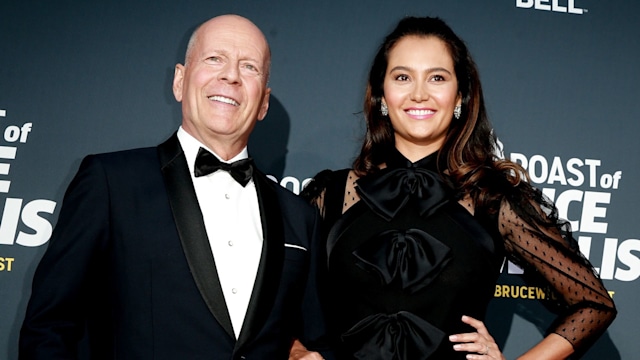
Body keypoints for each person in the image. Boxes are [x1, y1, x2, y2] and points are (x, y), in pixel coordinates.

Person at [299, 16, 616, 359]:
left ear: (460, 95)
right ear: (381, 96)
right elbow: (270, 300)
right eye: (403, 77)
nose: (419, 93)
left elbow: (593, 304)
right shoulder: (330, 195)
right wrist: (296, 351)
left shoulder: (491, 200)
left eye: (437, 77)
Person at [20, 14, 330, 359]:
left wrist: (303, 352)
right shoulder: (110, 183)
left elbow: (317, 339)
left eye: (249, 67)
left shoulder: (300, 217)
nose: (230, 75)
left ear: (264, 103)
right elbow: (50, 327)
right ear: (180, 81)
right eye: (215, 59)